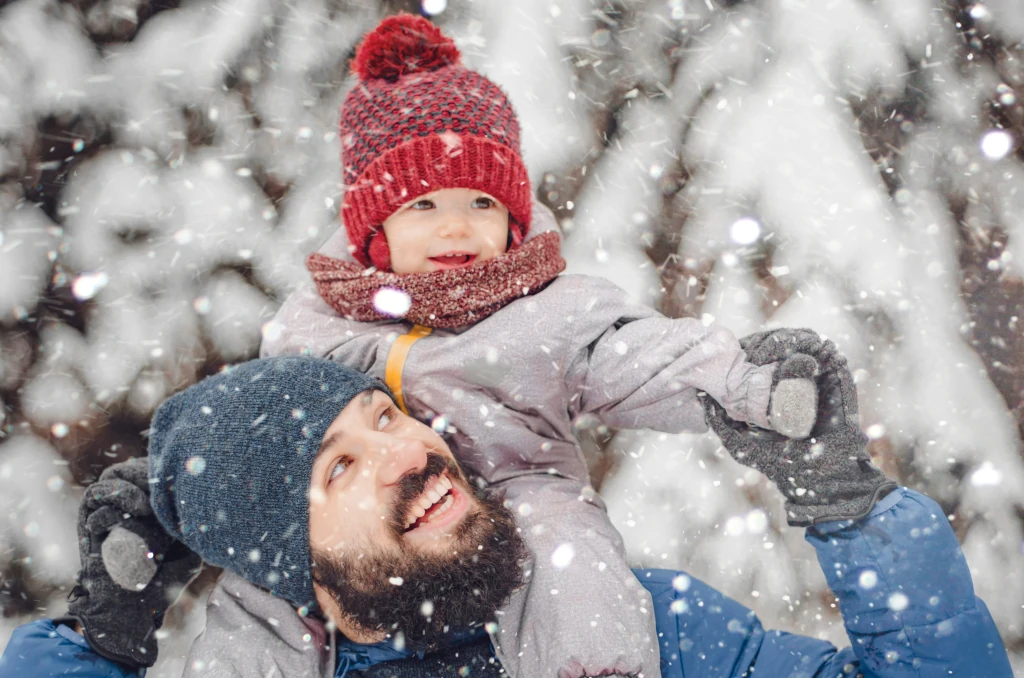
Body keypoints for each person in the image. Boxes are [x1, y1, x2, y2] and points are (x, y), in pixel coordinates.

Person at [254, 13, 826, 676]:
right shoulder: (320, 325)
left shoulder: (548, 313)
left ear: (514, 213)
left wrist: (751, 383)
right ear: (371, 227)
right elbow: (253, 425)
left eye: (480, 203)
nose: (457, 228)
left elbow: (641, 356)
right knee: (264, 582)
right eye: (424, 206)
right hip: (374, 516)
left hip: (515, 493)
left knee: (564, 550)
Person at [0, 350, 1012, 677]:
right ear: (297, 578)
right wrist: (97, 642)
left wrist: (853, 513)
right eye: (341, 468)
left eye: (385, 417)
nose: (408, 451)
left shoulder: (644, 633)